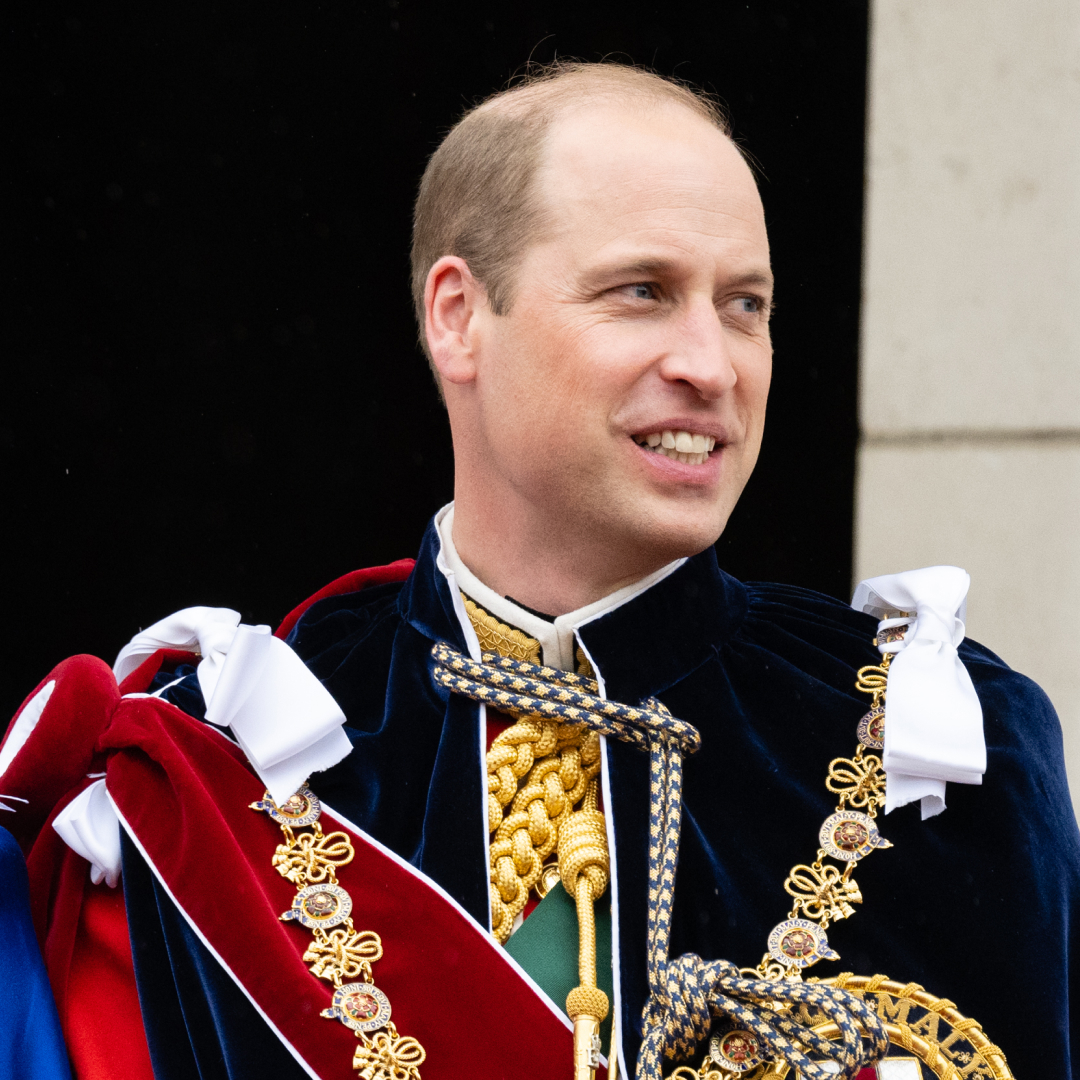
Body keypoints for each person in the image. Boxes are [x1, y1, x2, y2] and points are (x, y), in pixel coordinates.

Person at [1, 62, 1076, 1080]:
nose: (713, 364)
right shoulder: (202, 766)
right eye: (642, 291)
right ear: (459, 317)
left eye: (746, 304)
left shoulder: (944, 755)